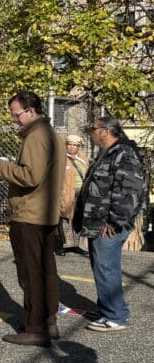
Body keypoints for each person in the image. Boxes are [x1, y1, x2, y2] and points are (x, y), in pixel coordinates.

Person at [0, 91, 64, 346]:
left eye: (17, 115)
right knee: (46, 270)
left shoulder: (36, 137)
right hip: (46, 213)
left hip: (30, 214)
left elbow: (30, 176)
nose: (15, 120)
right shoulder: (52, 135)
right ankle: (48, 322)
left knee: (31, 274)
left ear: (30, 111)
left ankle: (35, 328)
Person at [73, 117, 145, 332]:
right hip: (98, 221)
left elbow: (130, 190)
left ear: (105, 131)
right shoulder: (107, 153)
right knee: (102, 266)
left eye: (93, 129)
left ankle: (114, 317)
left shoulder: (123, 154)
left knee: (106, 267)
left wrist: (115, 220)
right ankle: (110, 307)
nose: (91, 132)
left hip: (109, 224)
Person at [59, 135, 89, 254]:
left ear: (79, 146)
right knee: (64, 218)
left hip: (81, 192)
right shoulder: (61, 158)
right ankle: (62, 245)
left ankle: (75, 245)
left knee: (78, 217)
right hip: (66, 192)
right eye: (69, 144)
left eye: (74, 145)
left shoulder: (83, 158)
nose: (71, 147)